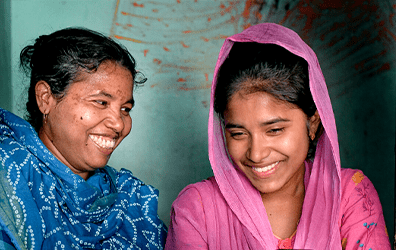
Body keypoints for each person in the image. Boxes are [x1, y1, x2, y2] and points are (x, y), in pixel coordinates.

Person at [165, 23, 391, 249]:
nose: (256, 153)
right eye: (238, 133)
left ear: (312, 123)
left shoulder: (349, 196)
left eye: (274, 130)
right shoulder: (197, 210)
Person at [0, 27, 167, 250]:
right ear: (45, 98)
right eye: (101, 102)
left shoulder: (129, 199)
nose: (119, 124)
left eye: (125, 109)